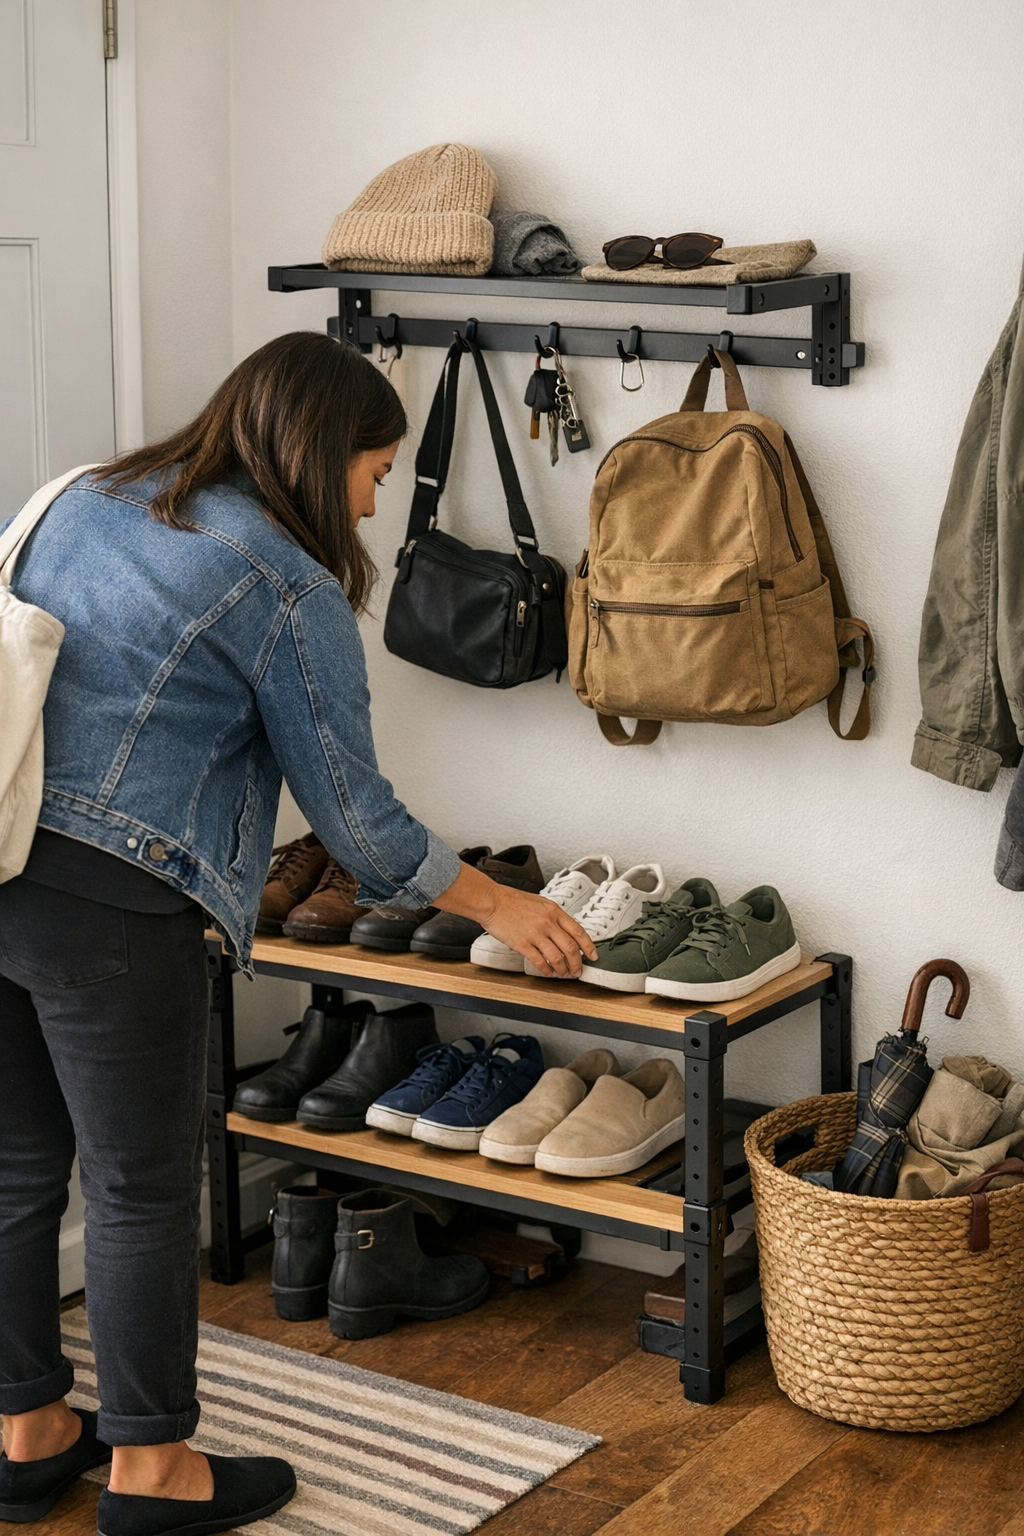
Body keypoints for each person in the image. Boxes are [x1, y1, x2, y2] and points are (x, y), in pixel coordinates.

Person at [0, 332, 596, 1536]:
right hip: (119, 902)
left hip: (0, 861)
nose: (375, 500)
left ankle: (27, 1434)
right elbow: (363, 829)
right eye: (375, 470)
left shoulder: (82, 493)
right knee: (139, 1190)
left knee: (17, 1173)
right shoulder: (281, 581)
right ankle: (154, 1472)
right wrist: (501, 902)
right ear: (319, 456)